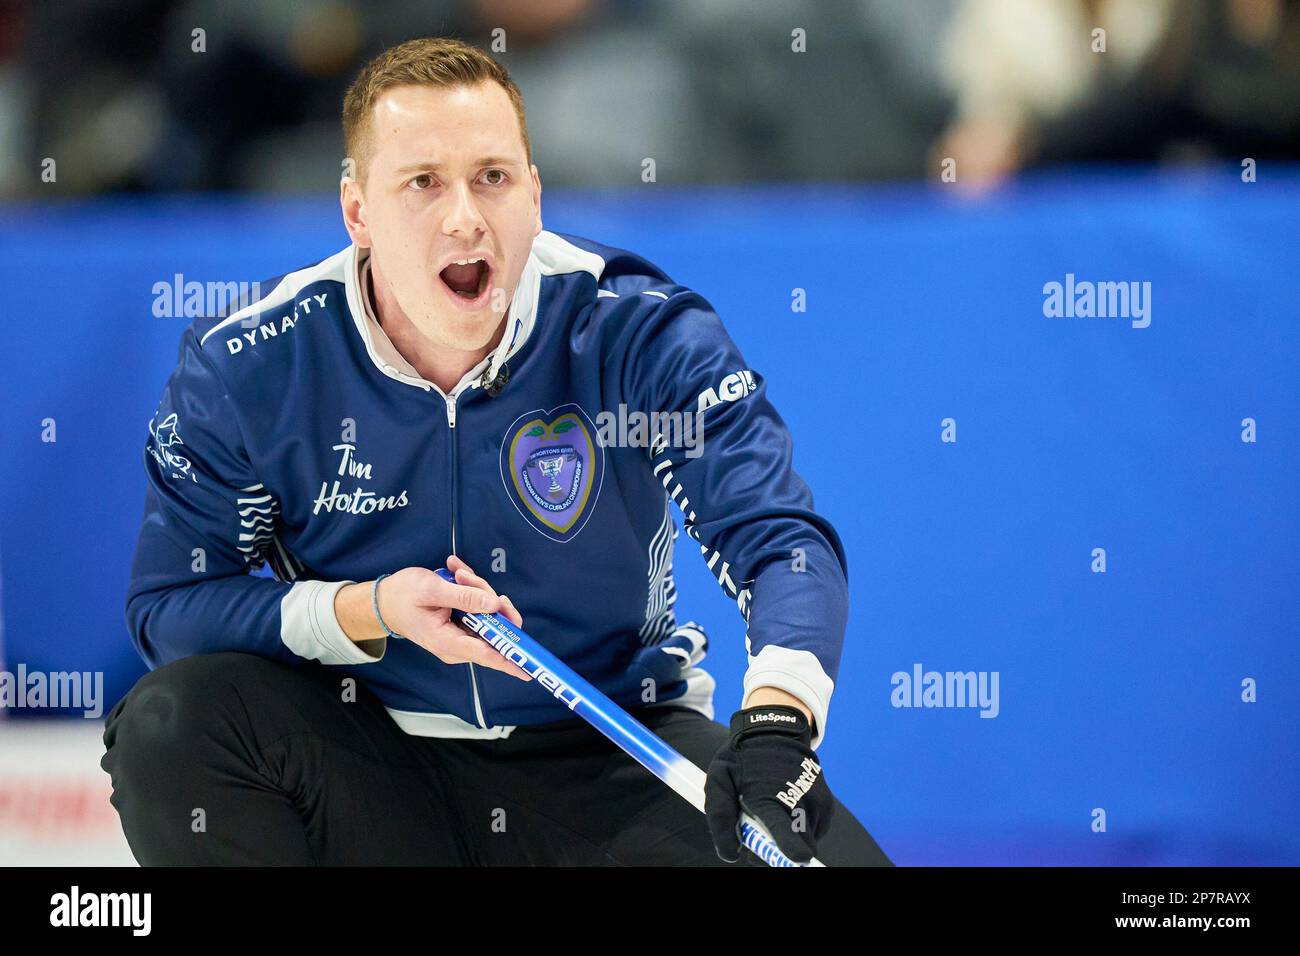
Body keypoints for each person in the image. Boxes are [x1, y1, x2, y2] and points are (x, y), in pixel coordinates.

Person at [102, 36, 893, 867]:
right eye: (422, 183)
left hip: (609, 750)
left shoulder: (636, 331)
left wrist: (777, 722)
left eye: (493, 177)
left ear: (535, 194)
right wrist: (365, 610)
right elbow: (170, 608)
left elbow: (782, 543)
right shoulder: (252, 363)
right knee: (172, 724)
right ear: (357, 210)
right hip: (370, 760)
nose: (466, 217)